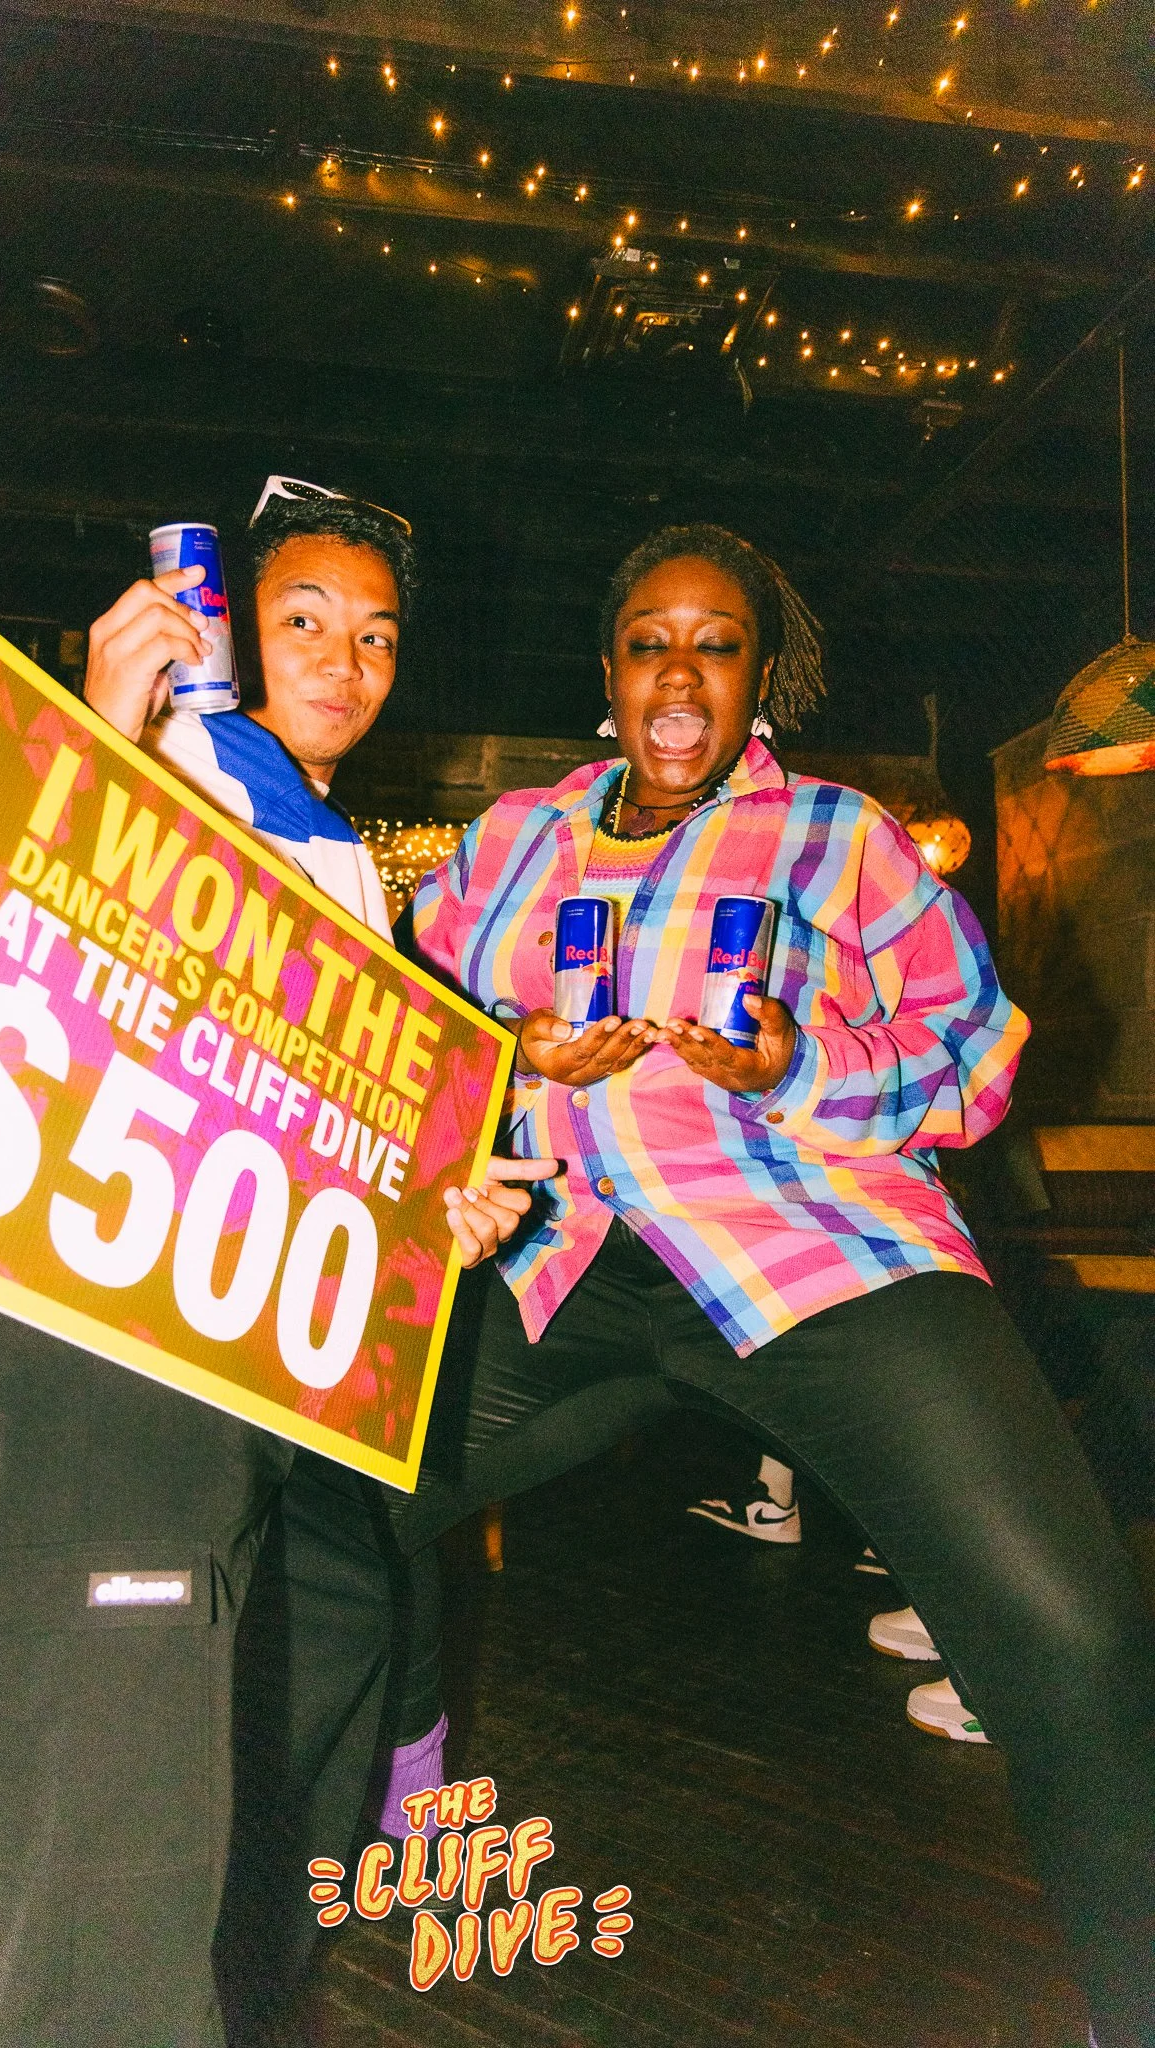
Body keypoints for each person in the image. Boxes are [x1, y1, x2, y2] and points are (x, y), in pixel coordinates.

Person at [394, 522, 1155, 2048]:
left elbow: (975, 1058)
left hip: (814, 1253)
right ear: (608, 671)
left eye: (716, 644)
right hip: (561, 1264)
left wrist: (797, 1063)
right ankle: (402, 1794)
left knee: (1070, 1637)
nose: (679, 674)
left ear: (759, 679)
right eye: (649, 642)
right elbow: (404, 1034)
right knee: (337, 1488)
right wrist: (502, 1054)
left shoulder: (837, 837)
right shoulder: (507, 846)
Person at [0, 480, 546, 2048]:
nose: (345, 660)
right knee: (99, 1774)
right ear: (227, 634)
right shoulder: (169, 763)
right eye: (303, 622)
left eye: (375, 636)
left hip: (254, 1351)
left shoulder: (337, 860)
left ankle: (234, 1984)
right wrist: (100, 732)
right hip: (102, 1329)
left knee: (336, 1618)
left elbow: (311, 1126)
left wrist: (434, 1212)